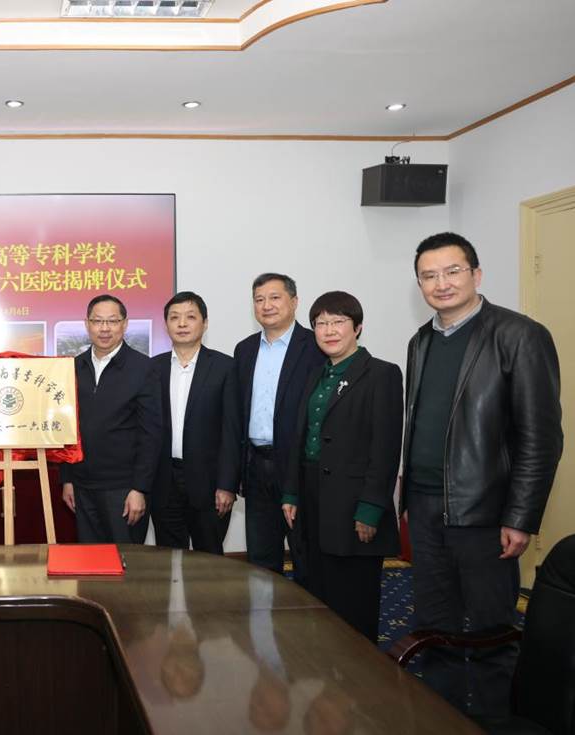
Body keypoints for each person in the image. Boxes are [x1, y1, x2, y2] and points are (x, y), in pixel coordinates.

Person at [402, 232, 562, 717]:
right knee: (434, 624)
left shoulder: (518, 335)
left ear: (476, 274)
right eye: (429, 276)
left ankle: (493, 720)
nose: (441, 283)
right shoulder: (420, 340)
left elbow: (540, 438)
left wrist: (520, 516)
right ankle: (441, 714)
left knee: (491, 630)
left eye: (452, 271)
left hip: (485, 511)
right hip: (425, 506)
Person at [281, 291, 402, 643]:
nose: (329, 330)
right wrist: (291, 492)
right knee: (317, 590)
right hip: (312, 495)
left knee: (353, 598)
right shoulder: (315, 375)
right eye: (321, 323)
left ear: (357, 327)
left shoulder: (381, 374)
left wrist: (371, 507)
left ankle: (359, 664)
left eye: (338, 322)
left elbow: (385, 448)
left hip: (354, 503)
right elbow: (300, 438)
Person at [233, 273, 324, 577]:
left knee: (306, 555)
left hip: (299, 468)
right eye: (259, 299)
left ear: (294, 302)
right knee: (261, 560)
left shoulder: (315, 346)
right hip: (256, 465)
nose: (266, 305)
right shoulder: (245, 350)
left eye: (275, 297)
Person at [61, 294, 162, 543]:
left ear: (124, 324)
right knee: (89, 560)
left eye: (112, 321)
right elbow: (66, 428)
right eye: (97, 321)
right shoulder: (73, 367)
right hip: (82, 486)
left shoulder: (143, 368)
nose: (104, 328)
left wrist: (140, 489)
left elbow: (151, 434)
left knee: (126, 560)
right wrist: (67, 480)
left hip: (124, 489)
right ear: (87, 324)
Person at [150, 291, 241, 553]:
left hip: (209, 484)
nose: (182, 324)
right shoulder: (152, 368)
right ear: (166, 324)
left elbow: (232, 431)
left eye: (190, 317)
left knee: (209, 560)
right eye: (174, 317)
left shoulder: (225, 367)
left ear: (205, 323)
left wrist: (227, 485)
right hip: (163, 483)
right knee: (168, 558)